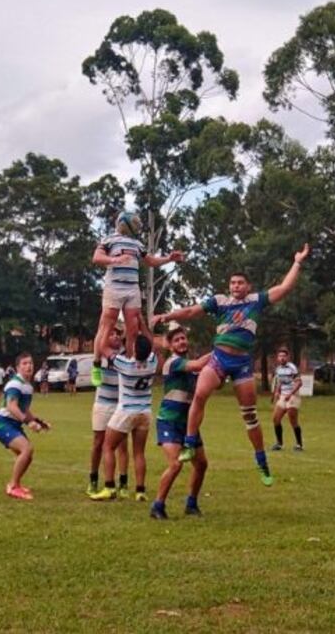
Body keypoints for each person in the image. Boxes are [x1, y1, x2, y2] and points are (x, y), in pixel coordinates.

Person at [153, 244, 311, 487]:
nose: (236, 286)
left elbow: (285, 288)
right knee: (200, 395)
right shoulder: (219, 301)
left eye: (240, 283)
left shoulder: (256, 301)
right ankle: (190, 442)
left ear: (247, 286)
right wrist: (169, 316)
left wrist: (297, 262)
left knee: (250, 416)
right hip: (218, 358)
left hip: (241, 364)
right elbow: (192, 311)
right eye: (233, 283)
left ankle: (261, 461)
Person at [90, 211, 184, 386]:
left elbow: (150, 261)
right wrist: (115, 260)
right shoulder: (109, 239)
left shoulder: (137, 244)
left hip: (132, 288)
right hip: (114, 287)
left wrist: (168, 258)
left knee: (133, 327)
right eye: (135, 223)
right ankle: (96, 364)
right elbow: (97, 258)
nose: (138, 226)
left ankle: (129, 362)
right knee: (107, 325)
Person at [150, 327, 211, 520]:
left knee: (201, 464)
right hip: (169, 421)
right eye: (177, 340)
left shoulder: (191, 367)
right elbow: (199, 364)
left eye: (183, 338)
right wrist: (224, 348)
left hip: (188, 424)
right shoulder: (174, 362)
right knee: (176, 465)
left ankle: (191, 504)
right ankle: (157, 506)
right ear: (172, 346)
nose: (182, 342)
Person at [89, 334, 157, 502]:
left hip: (127, 411)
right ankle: (140, 491)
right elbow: (152, 344)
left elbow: (103, 348)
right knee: (139, 452)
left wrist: (103, 329)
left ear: (134, 349)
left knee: (108, 446)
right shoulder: (153, 362)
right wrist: (141, 322)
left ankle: (109, 486)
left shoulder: (125, 364)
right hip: (145, 412)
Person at [0, 353, 50, 500]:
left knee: (27, 455)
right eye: (24, 363)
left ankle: (16, 484)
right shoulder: (15, 384)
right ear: (18, 367)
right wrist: (29, 422)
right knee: (27, 449)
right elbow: (12, 407)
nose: (29, 366)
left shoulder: (27, 386)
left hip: (14, 425)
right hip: (3, 424)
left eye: (30, 363)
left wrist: (39, 421)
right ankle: (12, 486)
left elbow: (24, 409)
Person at [87, 325, 130, 497]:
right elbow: (99, 335)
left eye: (117, 334)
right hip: (102, 404)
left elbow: (131, 333)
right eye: (111, 334)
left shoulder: (124, 354)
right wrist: (106, 322)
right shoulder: (101, 353)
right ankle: (93, 480)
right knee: (98, 443)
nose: (115, 336)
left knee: (122, 445)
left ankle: (124, 483)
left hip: (120, 405)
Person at [271, 348, 304, 451]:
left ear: (287, 357)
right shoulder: (278, 369)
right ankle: (279, 444)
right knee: (276, 419)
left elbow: (299, 383)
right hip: (283, 396)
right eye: (280, 356)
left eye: (284, 356)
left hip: (293, 396)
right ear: (277, 358)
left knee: (292, 420)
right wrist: (277, 391)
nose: (282, 358)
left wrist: (291, 394)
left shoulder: (292, 368)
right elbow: (280, 381)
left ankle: (299, 444)